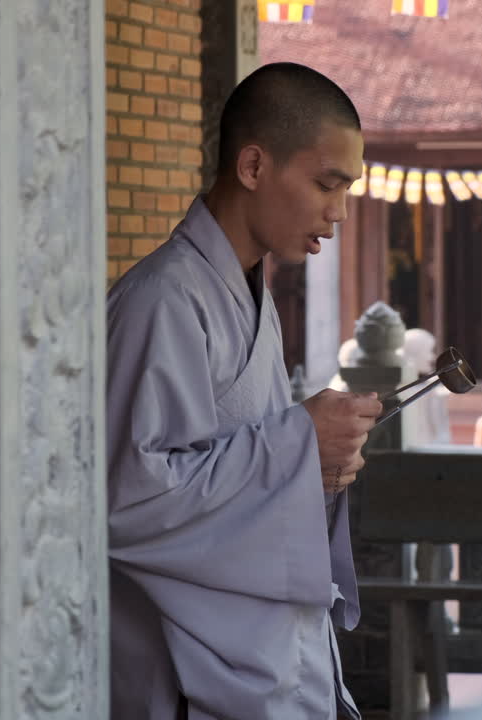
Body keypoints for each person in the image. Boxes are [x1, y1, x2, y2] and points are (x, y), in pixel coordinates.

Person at [104, 62, 381, 720]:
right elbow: (122, 502)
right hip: (180, 672)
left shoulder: (248, 291)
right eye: (325, 184)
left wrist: (317, 466)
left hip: (248, 657)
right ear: (254, 167)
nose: (337, 213)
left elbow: (237, 460)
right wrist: (295, 449)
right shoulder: (163, 300)